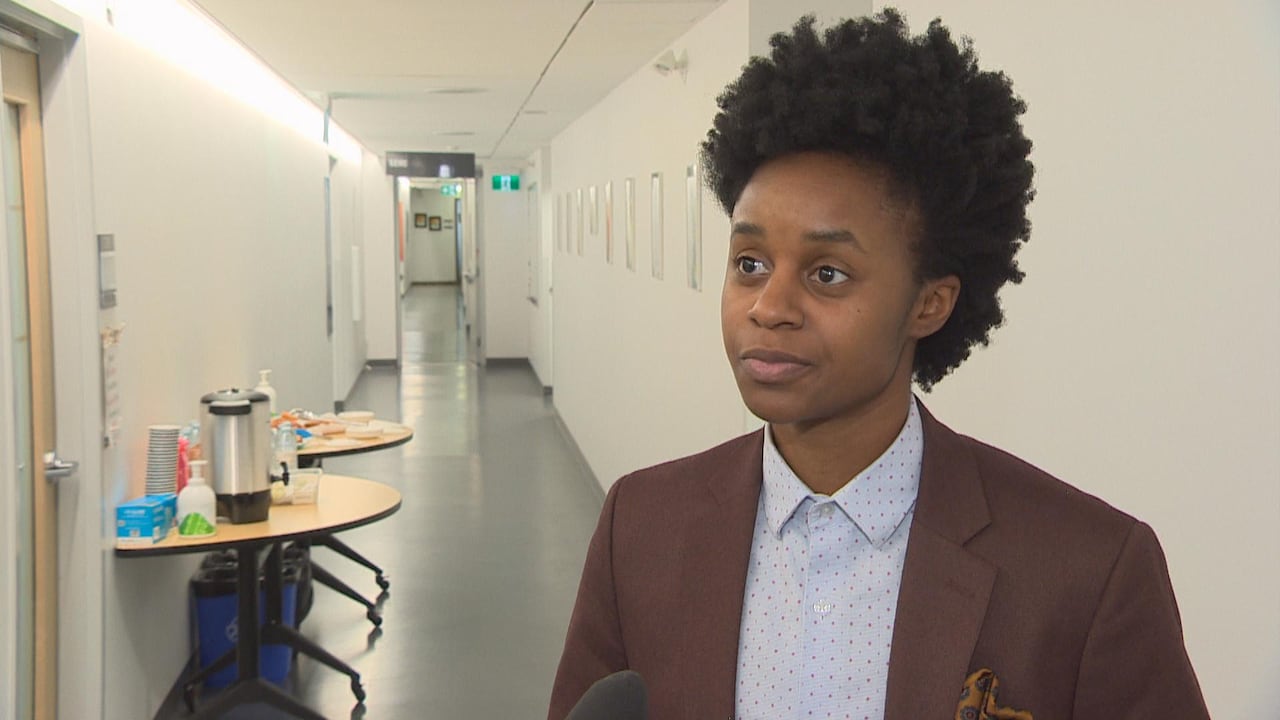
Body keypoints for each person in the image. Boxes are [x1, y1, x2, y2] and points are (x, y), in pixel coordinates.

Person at [549, 10, 1209, 720]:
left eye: (828, 273)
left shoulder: (1086, 570)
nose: (768, 307)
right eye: (750, 263)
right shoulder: (640, 527)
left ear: (930, 304)